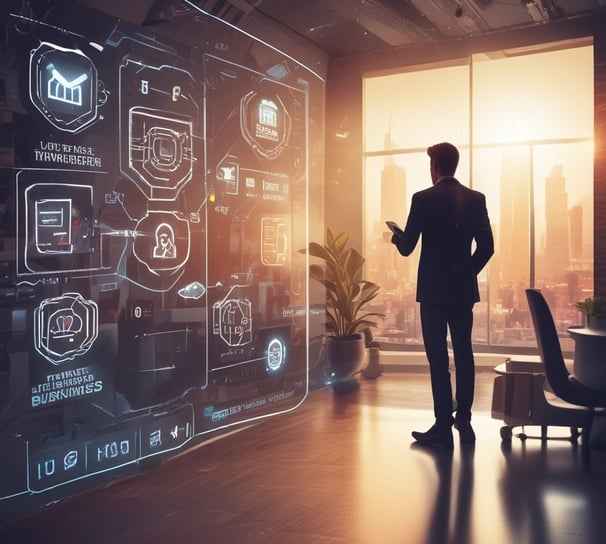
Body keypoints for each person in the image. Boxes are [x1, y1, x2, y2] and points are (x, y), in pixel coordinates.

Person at [390, 142, 494, 449]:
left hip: (433, 293)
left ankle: (442, 426)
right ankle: (464, 420)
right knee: (464, 354)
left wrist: (396, 237)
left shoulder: (423, 199)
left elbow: (408, 247)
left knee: (438, 359)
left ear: (435, 166)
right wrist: (465, 274)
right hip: (461, 291)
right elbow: (487, 248)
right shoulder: (476, 199)